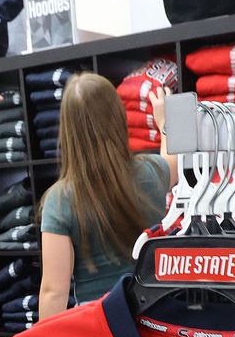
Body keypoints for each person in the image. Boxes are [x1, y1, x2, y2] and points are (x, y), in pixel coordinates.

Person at [39, 74, 178, 318]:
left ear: (67, 131)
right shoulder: (150, 172)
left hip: (99, 324)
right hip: (153, 315)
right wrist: (165, 123)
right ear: (118, 118)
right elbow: (173, 163)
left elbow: (54, 291)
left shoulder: (59, 200)